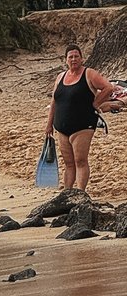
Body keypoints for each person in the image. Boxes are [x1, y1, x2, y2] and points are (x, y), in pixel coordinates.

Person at [45, 44, 117, 192]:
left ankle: (80, 193)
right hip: (61, 126)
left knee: (80, 161)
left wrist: (96, 103)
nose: (73, 59)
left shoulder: (89, 74)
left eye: (76, 56)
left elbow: (109, 87)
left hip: (83, 125)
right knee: (68, 163)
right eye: (70, 57)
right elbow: (54, 102)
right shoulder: (60, 77)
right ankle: (67, 192)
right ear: (66, 60)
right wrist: (49, 124)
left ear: (82, 58)